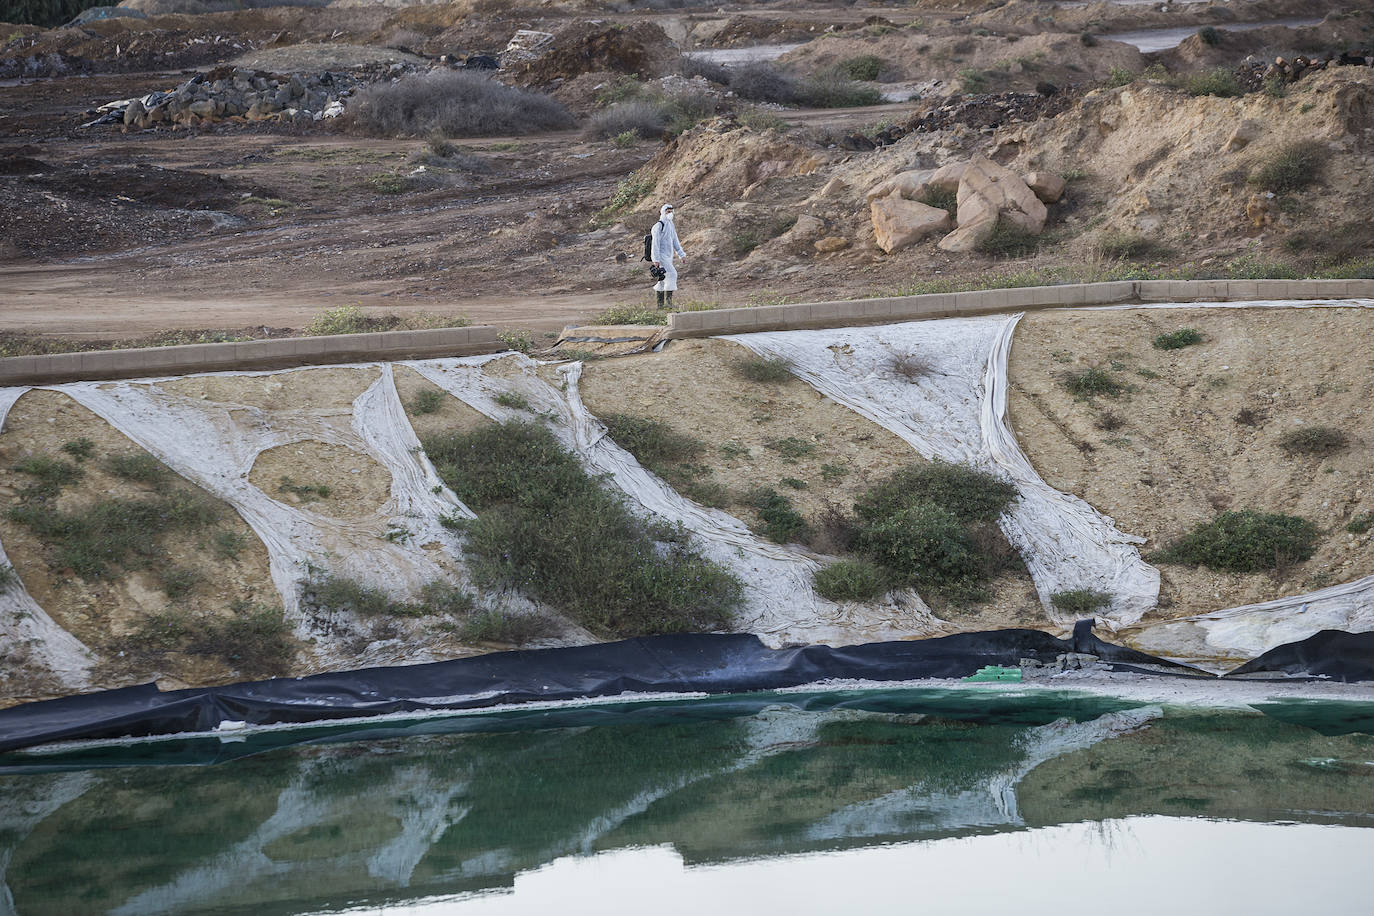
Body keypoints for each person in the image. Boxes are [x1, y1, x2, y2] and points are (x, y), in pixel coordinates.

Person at [650, 203, 687, 308]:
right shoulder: (658, 226)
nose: (670, 213)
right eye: (668, 211)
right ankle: (669, 303)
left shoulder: (670, 225)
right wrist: (656, 259)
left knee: (662, 279)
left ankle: (660, 306)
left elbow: (675, 240)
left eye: (671, 211)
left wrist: (681, 254)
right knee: (672, 274)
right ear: (663, 212)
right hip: (661, 256)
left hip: (668, 256)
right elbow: (655, 244)